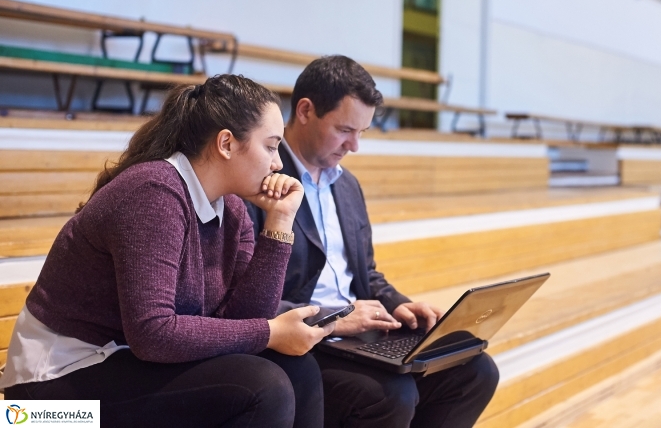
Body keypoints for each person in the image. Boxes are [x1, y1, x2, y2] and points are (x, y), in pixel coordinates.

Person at [0, 75, 334, 428]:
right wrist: (270, 333)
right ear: (226, 143)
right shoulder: (154, 192)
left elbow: (248, 318)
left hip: (126, 363)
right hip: (46, 397)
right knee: (263, 386)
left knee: (297, 368)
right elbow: (153, 334)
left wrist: (280, 221)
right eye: (270, 146)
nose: (278, 163)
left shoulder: (231, 209)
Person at [246, 56, 500, 428]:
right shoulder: (262, 180)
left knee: (476, 371)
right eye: (345, 129)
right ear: (305, 111)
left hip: (356, 335)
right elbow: (250, 296)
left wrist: (400, 306)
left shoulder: (346, 185)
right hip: (303, 341)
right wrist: (338, 317)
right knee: (392, 395)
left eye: (362, 132)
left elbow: (367, 274)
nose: (354, 146)